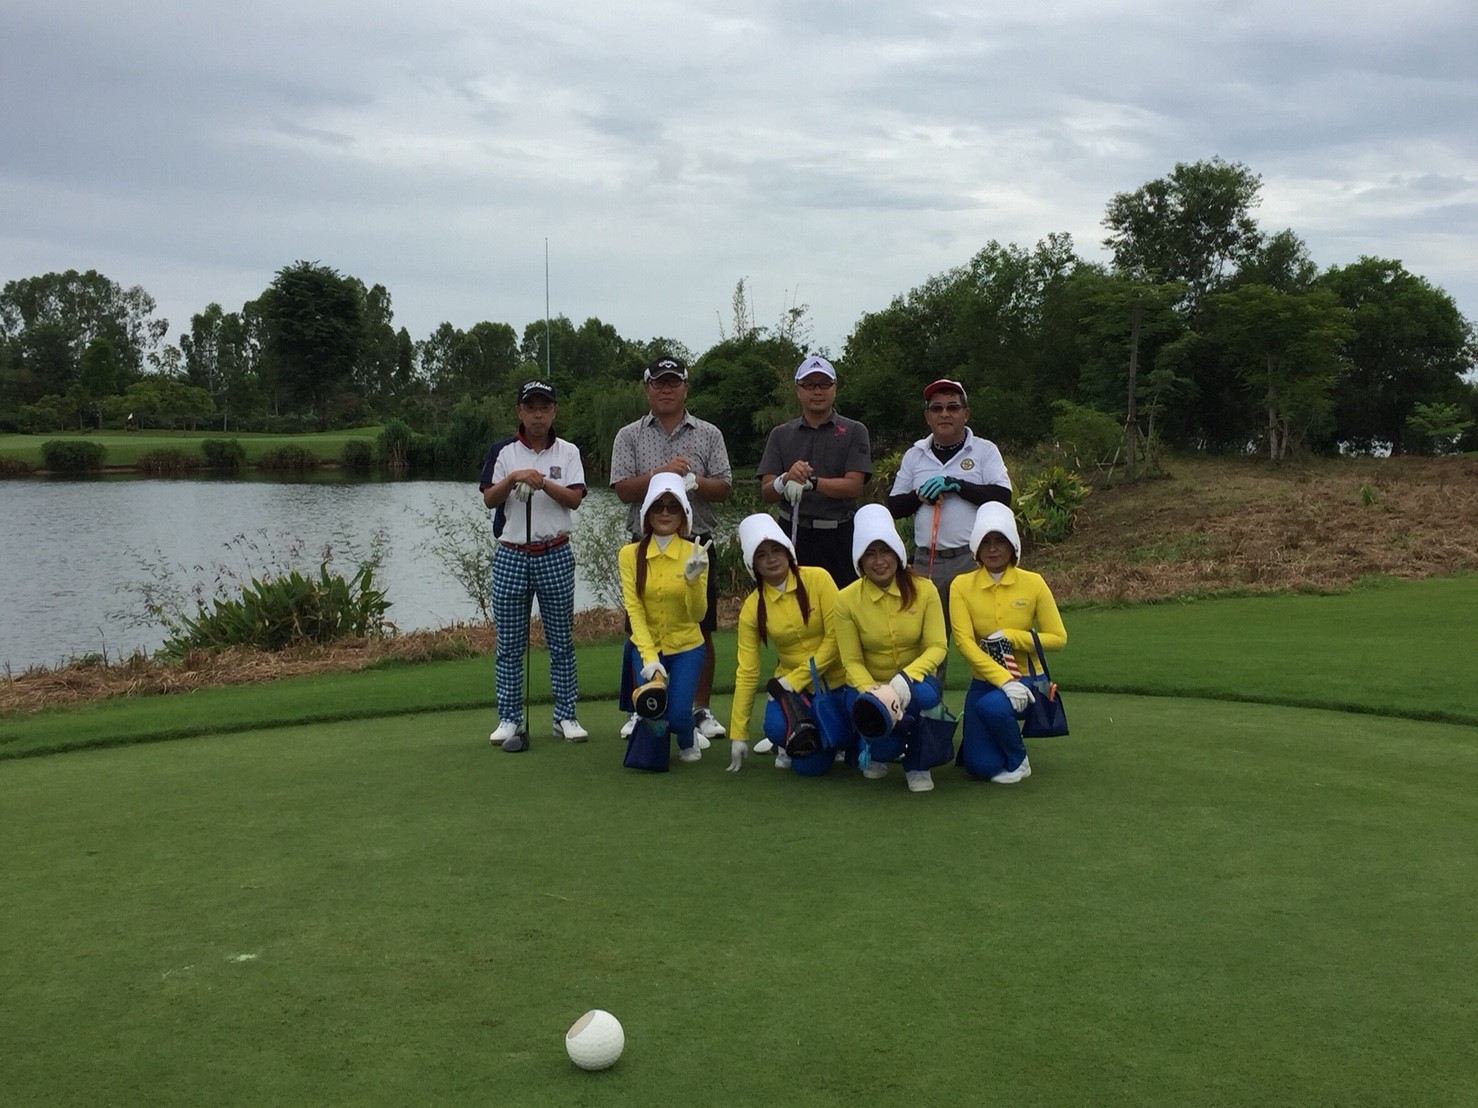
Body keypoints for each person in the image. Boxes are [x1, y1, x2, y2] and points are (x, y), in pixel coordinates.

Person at [609, 355, 733, 746]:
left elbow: (724, 487)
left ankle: (700, 708)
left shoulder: (708, 433)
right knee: (639, 628)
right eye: (658, 383)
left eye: (673, 382)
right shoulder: (629, 435)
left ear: (685, 388)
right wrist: (661, 474)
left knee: (702, 628)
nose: (666, 389)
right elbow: (622, 489)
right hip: (644, 545)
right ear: (647, 389)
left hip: (696, 545)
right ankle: (639, 705)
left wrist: (695, 481)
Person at [479, 380, 588, 753]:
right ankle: (509, 718)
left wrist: (541, 483)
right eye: (531, 408)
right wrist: (514, 477)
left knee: (561, 642)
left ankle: (565, 716)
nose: (538, 415)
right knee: (509, 644)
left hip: (555, 551)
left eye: (544, 408)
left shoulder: (568, 451)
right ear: (519, 412)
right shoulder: (503, 452)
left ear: (554, 411)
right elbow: (489, 498)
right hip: (512, 553)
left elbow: (574, 498)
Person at [887, 378, 1011, 688]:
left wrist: (957, 485)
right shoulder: (915, 455)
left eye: (953, 407)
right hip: (928, 562)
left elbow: (1002, 496)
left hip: (973, 561)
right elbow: (894, 505)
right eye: (937, 408)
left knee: (986, 638)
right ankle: (929, 711)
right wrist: (919, 495)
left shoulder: (984, 451)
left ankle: (994, 705)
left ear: (965, 413)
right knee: (930, 642)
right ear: (927, 416)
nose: (945, 414)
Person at [831, 504, 948, 792]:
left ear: (897, 553)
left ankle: (918, 763)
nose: (879, 561)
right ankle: (873, 748)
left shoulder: (925, 590)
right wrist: (876, 693)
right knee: (884, 748)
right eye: (870, 553)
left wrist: (905, 679)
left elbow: (937, 646)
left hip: (914, 682)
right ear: (860, 559)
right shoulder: (846, 600)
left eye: (885, 551)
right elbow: (851, 661)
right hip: (868, 685)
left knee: (925, 697)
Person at [950, 501, 1067, 783]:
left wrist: (1013, 635)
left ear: (1012, 545)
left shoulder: (1033, 582)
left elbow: (1058, 638)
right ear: (976, 547)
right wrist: (1003, 680)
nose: (992, 549)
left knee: (992, 707)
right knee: (980, 767)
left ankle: (1018, 760)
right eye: (986, 542)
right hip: (984, 682)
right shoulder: (961, 585)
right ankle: (992, 740)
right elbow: (964, 642)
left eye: (1000, 541)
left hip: (1027, 680)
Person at [725, 513, 847, 774]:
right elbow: (747, 673)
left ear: (788, 551)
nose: (771, 559)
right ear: (753, 564)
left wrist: (796, 679)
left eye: (776, 550)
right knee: (800, 758)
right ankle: (796, 742)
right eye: (762, 555)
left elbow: (837, 638)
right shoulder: (752, 608)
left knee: (847, 741)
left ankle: (837, 741)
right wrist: (739, 734)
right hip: (794, 693)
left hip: (839, 684)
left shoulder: (818, 578)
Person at [618, 473, 711, 764]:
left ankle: (687, 735)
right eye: (658, 507)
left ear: (684, 514)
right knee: (653, 708)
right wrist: (649, 658)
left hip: (687, 647)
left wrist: (693, 581)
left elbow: (698, 615)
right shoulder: (629, 554)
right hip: (648, 646)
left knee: (679, 716)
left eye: (673, 507)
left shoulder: (696, 553)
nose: (665, 513)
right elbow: (634, 610)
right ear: (647, 513)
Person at [758, 355, 872, 587]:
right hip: (792, 533)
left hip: (839, 534)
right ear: (798, 390)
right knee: (793, 601)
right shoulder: (781, 434)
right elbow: (767, 492)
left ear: (834, 389)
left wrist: (812, 482)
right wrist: (785, 479)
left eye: (824, 384)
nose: (817, 391)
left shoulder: (854, 431)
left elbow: (854, 486)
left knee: (841, 602)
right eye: (809, 385)